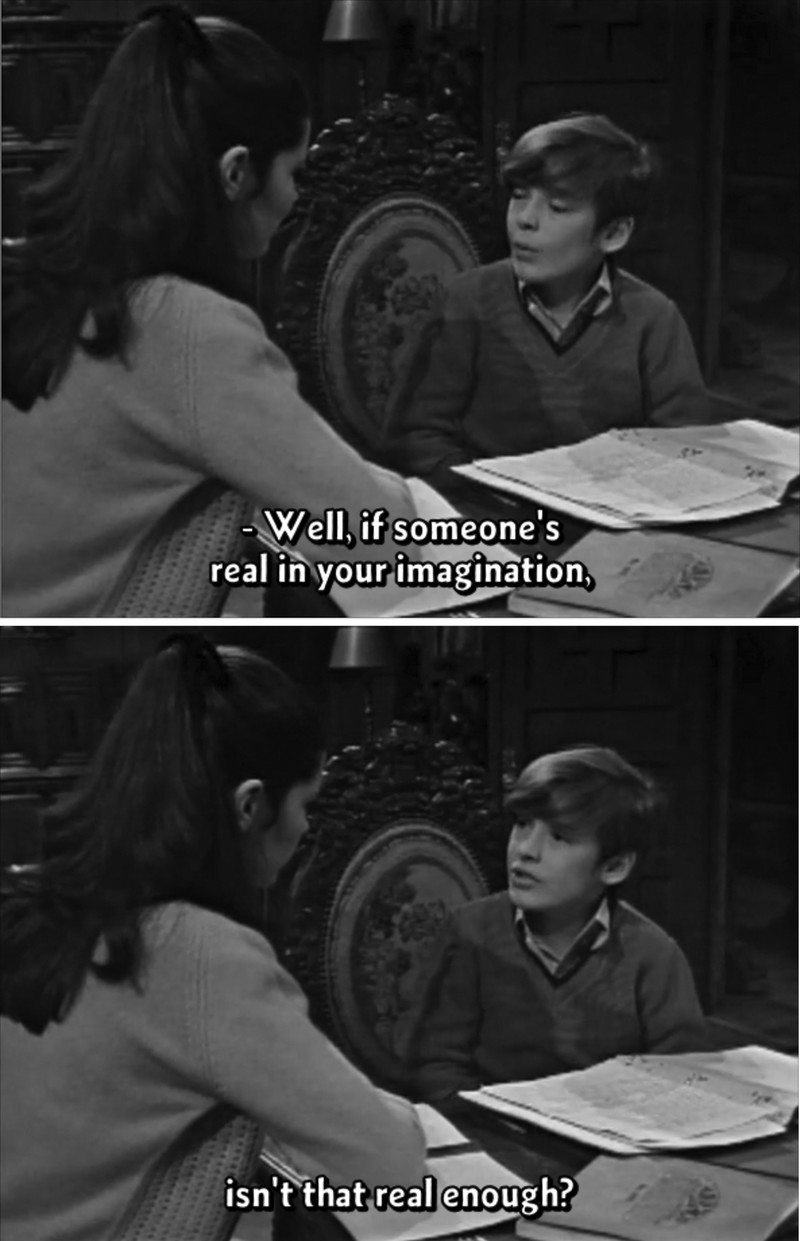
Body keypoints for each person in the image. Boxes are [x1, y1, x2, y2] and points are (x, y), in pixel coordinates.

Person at [1, 4, 425, 618]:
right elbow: (381, 543)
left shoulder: (23, 271)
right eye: (295, 172)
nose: (296, 198)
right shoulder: (182, 327)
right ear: (236, 173)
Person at [0, 636, 426, 1240]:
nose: (307, 826)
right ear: (250, 806)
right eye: (307, 803)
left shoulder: (33, 901)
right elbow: (392, 1168)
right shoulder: (193, 951)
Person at [390, 114, 710, 498]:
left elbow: (683, 448)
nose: (525, 220)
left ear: (613, 233)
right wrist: (493, 498)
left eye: (557, 207)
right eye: (519, 195)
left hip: (612, 513)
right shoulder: (469, 300)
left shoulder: (654, 318)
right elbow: (418, 437)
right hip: (492, 515)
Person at [404, 745, 709, 1105]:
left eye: (559, 837)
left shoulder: (654, 956)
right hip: (490, 1127)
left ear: (614, 867)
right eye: (522, 824)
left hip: (610, 1130)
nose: (525, 850)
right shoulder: (471, 932)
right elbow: (437, 1066)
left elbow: (682, 1079)